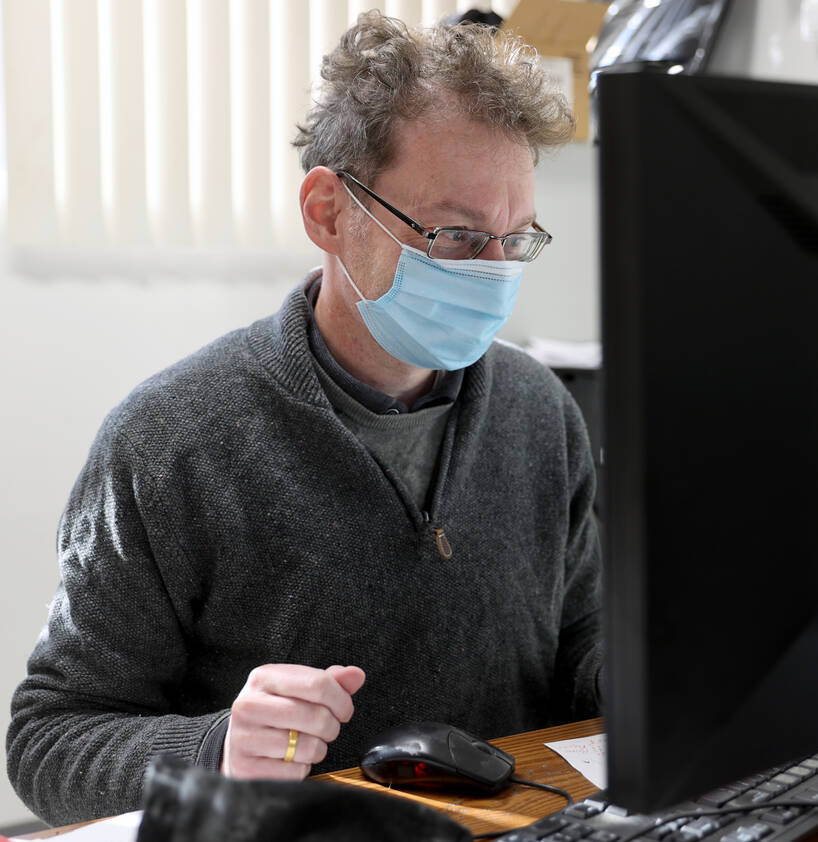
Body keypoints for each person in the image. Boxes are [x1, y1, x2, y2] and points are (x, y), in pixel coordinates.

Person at [7, 12, 602, 827]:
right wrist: (218, 748)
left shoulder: (542, 413)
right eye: (457, 236)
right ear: (328, 212)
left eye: (516, 239)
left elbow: (583, 653)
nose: (494, 276)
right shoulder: (171, 442)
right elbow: (49, 743)